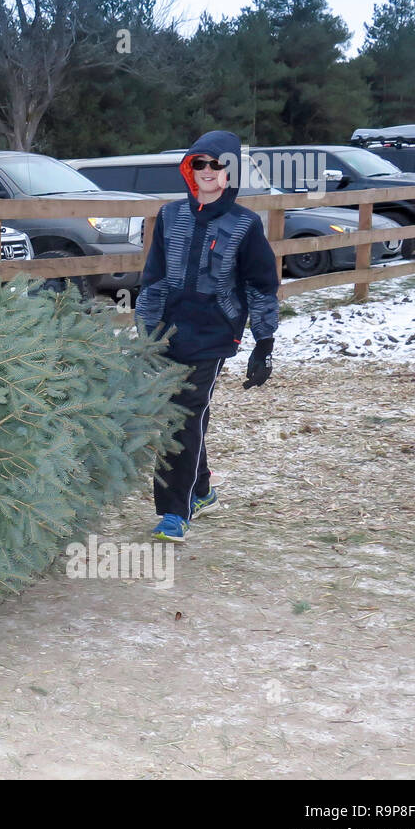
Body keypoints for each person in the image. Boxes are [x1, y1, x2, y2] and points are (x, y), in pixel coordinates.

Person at [134, 130, 279, 543]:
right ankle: (199, 490)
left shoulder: (245, 224)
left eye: (218, 165)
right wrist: (146, 331)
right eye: (201, 163)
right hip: (169, 330)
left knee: (181, 414)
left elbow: (260, 285)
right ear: (189, 168)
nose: (209, 172)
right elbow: (154, 279)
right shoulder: (169, 215)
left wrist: (263, 342)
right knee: (182, 412)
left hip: (215, 333)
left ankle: (173, 513)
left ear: (230, 173)